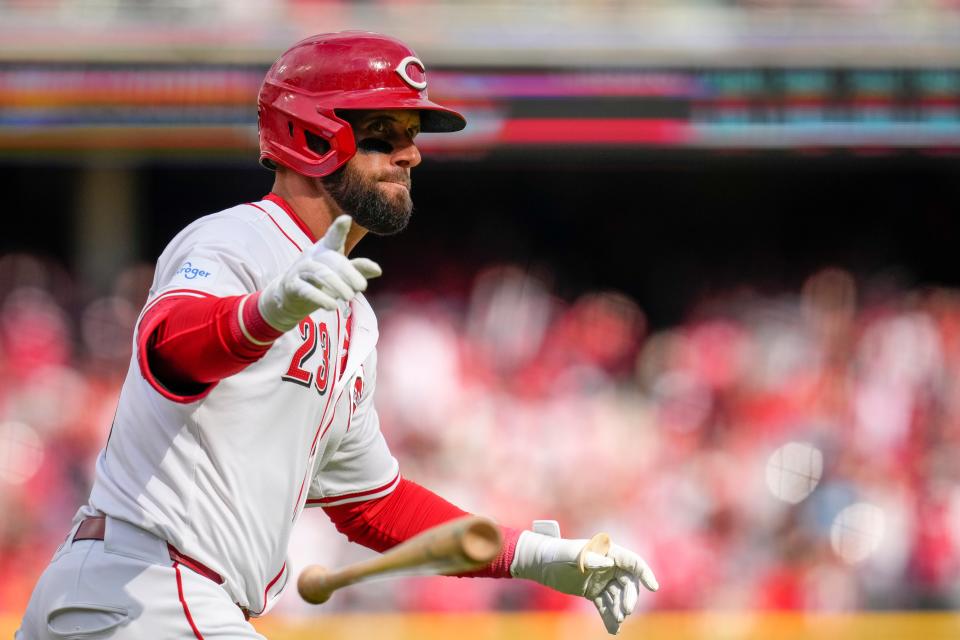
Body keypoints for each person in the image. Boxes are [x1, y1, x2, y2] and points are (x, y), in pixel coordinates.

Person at [17, 31, 657, 639]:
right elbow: (168, 349)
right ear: (309, 133)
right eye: (384, 134)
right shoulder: (239, 237)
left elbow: (374, 506)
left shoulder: (351, 313)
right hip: (147, 587)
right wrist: (264, 311)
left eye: (411, 134)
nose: (410, 154)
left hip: (128, 593)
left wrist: (539, 555)